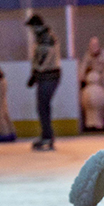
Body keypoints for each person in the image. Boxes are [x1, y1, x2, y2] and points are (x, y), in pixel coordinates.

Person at [27, 14, 61, 151]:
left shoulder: (46, 37)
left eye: (31, 27)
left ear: (36, 26)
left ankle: (47, 136)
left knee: (43, 106)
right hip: (46, 76)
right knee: (42, 106)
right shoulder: (42, 37)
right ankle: (47, 135)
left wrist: (37, 71)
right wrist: (34, 74)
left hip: (49, 75)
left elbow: (45, 57)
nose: (30, 30)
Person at [78, 37, 104, 130]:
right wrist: (83, 77)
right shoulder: (88, 55)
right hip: (91, 82)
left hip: (102, 82)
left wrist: (103, 76)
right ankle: (90, 123)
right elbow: (82, 68)